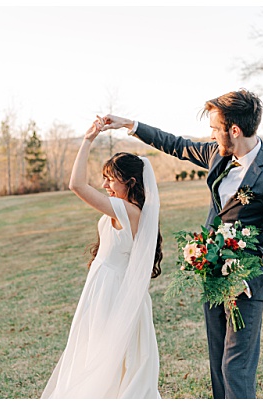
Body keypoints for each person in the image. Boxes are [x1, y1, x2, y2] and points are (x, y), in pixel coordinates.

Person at [99, 89, 263, 399]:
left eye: (215, 128)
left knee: (236, 368)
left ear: (234, 130)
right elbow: (174, 144)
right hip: (211, 275)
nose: (212, 134)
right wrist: (130, 125)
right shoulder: (217, 155)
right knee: (218, 364)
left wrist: (247, 281)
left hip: (246, 284)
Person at [41, 118, 162, 398]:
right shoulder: (130, 210)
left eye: (111, 178)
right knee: (106, 353)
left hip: (111, 290)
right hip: (106, 285)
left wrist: (87, 140)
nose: (105, 184)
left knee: (104, 353)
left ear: (130, 182)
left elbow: (76, 185)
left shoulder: (127, 210)